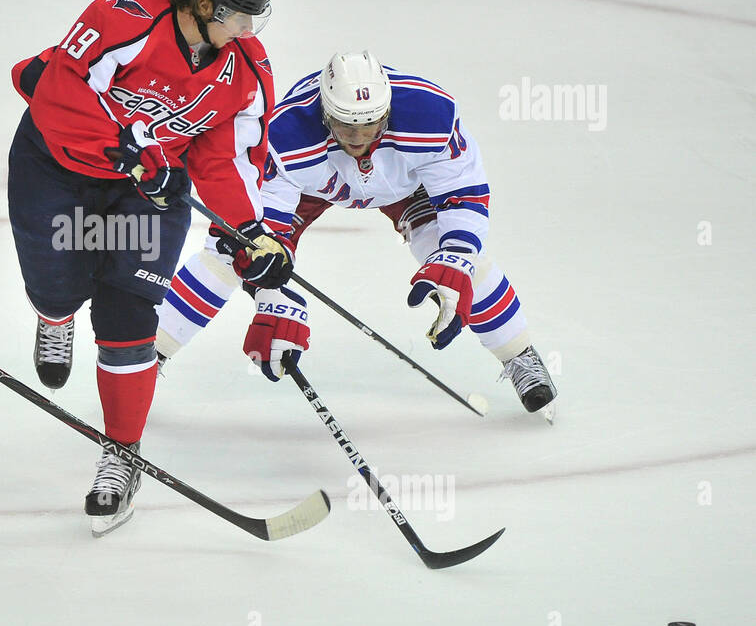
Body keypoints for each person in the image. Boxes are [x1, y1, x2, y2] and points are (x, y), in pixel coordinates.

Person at [8, 0, 292, 536]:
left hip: (152, 192)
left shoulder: (244, 69)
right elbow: (55, 96)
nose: (247, 29)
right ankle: (54, 315)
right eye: (238, 14)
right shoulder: (125, 14)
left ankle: (122, 453)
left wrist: (251, 234)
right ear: (203, 3)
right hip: (57, 168)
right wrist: (132, 153)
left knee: (128, 314)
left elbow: (227, 158)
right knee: (57, 288)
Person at [156, 50, 558, 416]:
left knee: (461, 262)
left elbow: (463, 195)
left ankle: (518, 354)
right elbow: (261, 235)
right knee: (228, 256)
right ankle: (148, 352)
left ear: (388, 111)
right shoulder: (285, 133)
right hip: (312, 186)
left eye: (370, 126)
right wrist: (271, 295)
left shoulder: (430, 114)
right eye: (346, 126)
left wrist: (454, 258)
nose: (359, 139)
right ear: (324, 113)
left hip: (404, 183)